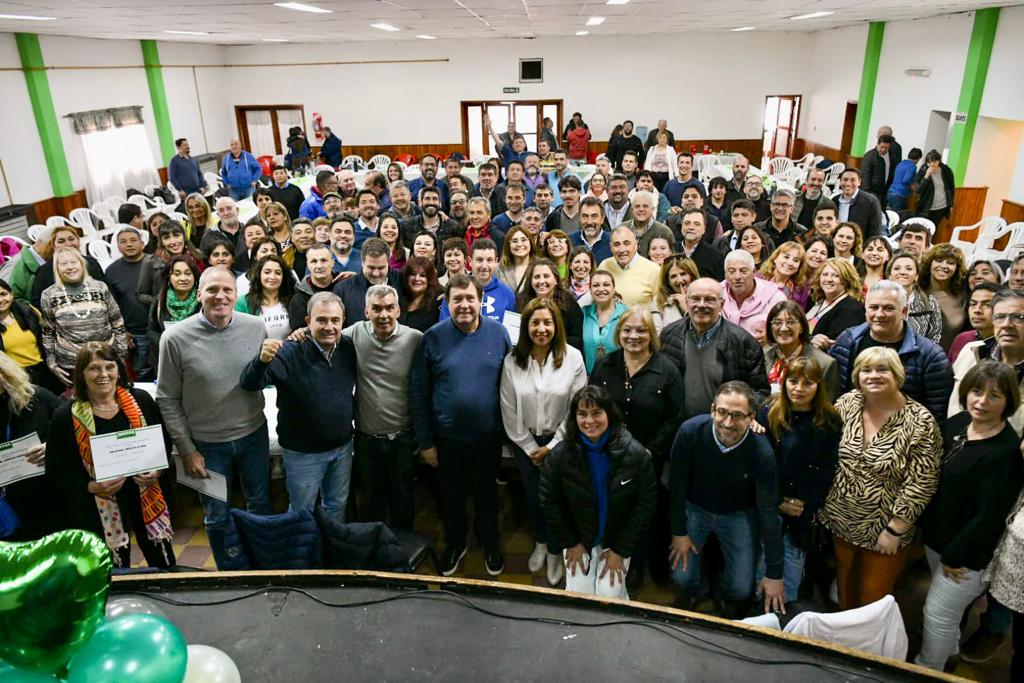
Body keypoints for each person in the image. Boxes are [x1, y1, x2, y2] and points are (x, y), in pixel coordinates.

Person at [156, 266, 270, 569]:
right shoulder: (174, 338)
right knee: (217, 516)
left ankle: (263, 564)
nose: (220, 296)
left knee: (260, 505)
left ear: (236, 294)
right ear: (199, 294)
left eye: (227, 290)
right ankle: (229, 574)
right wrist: (187, 449)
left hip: (253, 435)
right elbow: (167, 398)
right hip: (206, 446)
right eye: (212, 290)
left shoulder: (256, 327)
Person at [914, 361, 1023, 671]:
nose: (982, 402)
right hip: (938, 540)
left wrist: (955, 555)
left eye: (994, 396)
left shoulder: (1005, 452)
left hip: (966, 556)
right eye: (976, 391)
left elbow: (990, 517)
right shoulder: (959, 422)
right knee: (946, 617)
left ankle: (925, 669)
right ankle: (947, 656)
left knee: (936, 615)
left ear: (1008, 401)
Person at [819, 346, 942, 609]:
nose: (873, 375)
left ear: (897, 375)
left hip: (884, 529)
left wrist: (896, 529)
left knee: (872, 598)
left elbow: (922, 482)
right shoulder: (847, 403)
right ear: (857, 376)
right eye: (866, 370)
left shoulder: (920, 422)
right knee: (845, 585)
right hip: (840, 519)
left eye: (882, 369)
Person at [411, 274, 512, 577]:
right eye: (457, 299)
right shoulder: (432, 337)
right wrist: (425, 442)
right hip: (447, 438)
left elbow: (511, 385)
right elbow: (419, 391)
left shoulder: (499, 334)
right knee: (451, 497)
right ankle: (456, 543)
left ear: (481, 301)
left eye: (470, 298)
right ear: (447, 302)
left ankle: (489, 542)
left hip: (488, 436)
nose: (464, 305)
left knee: (487, 496)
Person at [48, 342, 174, 567]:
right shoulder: (65, 416)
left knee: (163, 562)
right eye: (94, 368)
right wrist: (91, 486)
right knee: (113, 569)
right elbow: (57, 471)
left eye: (109, 367)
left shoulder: (141, 401)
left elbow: (163, 441)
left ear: (119, 369)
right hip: (99, 506)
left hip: (145, 495)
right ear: (81, 374)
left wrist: (158, 470)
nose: (103, 374)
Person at [669, 381, 786, 616]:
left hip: (738, 514)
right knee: (682, 578)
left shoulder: (761, 452)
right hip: (696, 508)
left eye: (738, 415)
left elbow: (768, 512)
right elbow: (677, 485)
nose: (728, 422)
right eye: (722, 412)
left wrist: (775, 573)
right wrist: (679, 532)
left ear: (751, 417)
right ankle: (700, 591)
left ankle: (721, 594)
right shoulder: (690, 432)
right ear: (712, 410)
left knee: (740, 589)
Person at [240, 291, 356, 521]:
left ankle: (329, 544)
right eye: (321, 320)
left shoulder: (348, 346)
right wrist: (261, 361)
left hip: (342, 448)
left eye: (335, 320)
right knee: (301, 512)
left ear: (343, 321)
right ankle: (301, 547)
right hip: (303, 453)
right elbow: (250, 383)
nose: (329, 327)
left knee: (336, 506)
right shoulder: (289, 351)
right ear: (308, 321)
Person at [591, 306, 685, 587]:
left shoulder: (666, 370)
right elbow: (593, 407)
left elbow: (675, 417)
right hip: (607, 455)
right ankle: (610, 558)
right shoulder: (604, 365)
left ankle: (636, 566)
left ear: (651, 335)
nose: (634, 336)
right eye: (627, 330)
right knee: (610, 509)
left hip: (648, 460)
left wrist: (649, 451)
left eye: (641, 330)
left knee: (642, 515)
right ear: (619, 333)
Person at [538, 384, 655, 599]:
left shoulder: (636, 455)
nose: (589, 421)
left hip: (617, 540)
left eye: (596, 413)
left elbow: (644, 505)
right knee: (579, 596)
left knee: (610, 594)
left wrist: (620, 550)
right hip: (578, 538)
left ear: (609, 413)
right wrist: (571, 542)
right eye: (582, 414)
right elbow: (548, 500)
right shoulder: (560, 455)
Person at [501, 298, 587, 586]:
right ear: (526, 327)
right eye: (535, 323)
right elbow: (508, 408)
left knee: (558, 499)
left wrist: (551, 447)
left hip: (562, 442)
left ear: (556, 325)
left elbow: (577, 407)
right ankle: (540, 541)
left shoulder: (573, 357)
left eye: (547, 322)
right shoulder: (513, 360)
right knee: (534, 496)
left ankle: (554, 550)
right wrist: (530, 448)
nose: (541, 329)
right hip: (525, 441)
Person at [756, 357, 841, 604]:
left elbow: (828, 468)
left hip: (802, 510)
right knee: (760, 576)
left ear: (819, 386)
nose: (799, 388)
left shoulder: (830, 419)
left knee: (790, 582)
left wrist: (806, 503)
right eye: (793, 381)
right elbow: (760, 466)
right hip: (769, 505)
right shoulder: (768, 412)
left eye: (808, 383)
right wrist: (777, 501)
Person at [341, 285, 423, 530]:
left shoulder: (415, 339)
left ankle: (401, 548)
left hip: (404, 438)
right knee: (370, 500)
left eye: (389, 308)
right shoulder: (354, 334)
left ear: (398, 310)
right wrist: (302, 332)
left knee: (403, 498)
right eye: (376, 309)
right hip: (366, 439)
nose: (384, 314)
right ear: (366, 312)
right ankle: (373, 547)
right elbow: (325, 334)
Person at [830, 280, 953, 423]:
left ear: (904, 312)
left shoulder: (930, 356)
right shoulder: (846, 341)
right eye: (874, 307)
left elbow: (936, 415)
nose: (879, 314)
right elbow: (832, 395)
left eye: (888, 308)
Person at [659, 278, 770, 419]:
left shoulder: (743, 342)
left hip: (726, 426)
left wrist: (744, 416)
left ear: (721, 304)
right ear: (686, 302)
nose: (701, 305)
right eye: (695, 299)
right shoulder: (669, 335)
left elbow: (760, 391)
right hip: (677, 426)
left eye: (709, 299)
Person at [40, 249, 127, 388]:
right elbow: (47, 332)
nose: (70, 267)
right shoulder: (48, 295)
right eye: (63, 263)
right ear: (57, 268)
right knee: (79, 401)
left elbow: (117, 322)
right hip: (71, 365)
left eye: (73, 262)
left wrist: (121, 356)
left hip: (106, 360)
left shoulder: (100, 287)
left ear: (82, 264)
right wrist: (52, 364)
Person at [0, 351, 61, 541]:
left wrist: (53, 447)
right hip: (6, 507)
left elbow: (75, 431)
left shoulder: (36, 397)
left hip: (43, 496)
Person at [763, 300, 840, 401]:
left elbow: (826, 406)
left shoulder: (824, 364)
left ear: (802, 328)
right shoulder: (762, 355)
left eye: (790, 322)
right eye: (777, 323)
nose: (783, 328)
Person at [101, 227, 152, 379]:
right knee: (142, 373)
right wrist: (122, 330)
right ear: (118, 247)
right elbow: (111, 305)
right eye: (123, 241)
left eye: (133, 240)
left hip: (160, 329)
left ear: (142, 244)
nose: (129, 244)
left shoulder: (156, 263)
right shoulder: (112, 271)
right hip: (135, 334)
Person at [0, 280, 60, 393]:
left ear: (11, 294)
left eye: (3, 294)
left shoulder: (29, 312)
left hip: (45, 372)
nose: (1, 300)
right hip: (16, 379)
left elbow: (49, 335)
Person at [439, 238, 516, 323]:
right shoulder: (454, 290)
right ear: (470, 261)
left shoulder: (507, 293)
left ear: (496, 262)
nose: (484, 266)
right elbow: (445, 327)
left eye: (489, 260)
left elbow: (510, 329)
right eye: (479, 260)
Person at [145, 254, 199, 374]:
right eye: (177, 274)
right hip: (167, 360)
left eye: (188, 273)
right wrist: (169, 343)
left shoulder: (203, 301)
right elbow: (152, 331)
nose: (183, 278)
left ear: (194, 276)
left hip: (196, 360)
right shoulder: (160, 301)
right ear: (169, 277)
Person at [29, 226, 106, 309]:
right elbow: (37, 302)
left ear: (78, 241)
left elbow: (105, 290)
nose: (68, 244)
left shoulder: (91, 263)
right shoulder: (44, 271)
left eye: (71, 239)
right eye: (61, 241)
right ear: (53, 245)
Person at [721, 249, 786, 344]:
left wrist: (772, 335)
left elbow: (787, 328)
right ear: (725, 274)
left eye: (743, 271)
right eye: (731, 271)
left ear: (753, 272)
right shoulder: (715, 294)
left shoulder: (774, 297)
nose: (737, 277)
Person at [516, 259, 583, 350]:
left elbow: (577, 338)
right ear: (530, 281)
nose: (541, 281)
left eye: (546, 276)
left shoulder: (569, 304)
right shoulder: (521, 302)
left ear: (556, 280)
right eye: (537, 277)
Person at [137, 221, 205, 310]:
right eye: (166, 238)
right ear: (161, 241)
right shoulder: (151, 262)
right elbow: (141, 295)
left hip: (197, 310)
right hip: (166, 313)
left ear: (184, 237)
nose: (173, 241)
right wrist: (162, 301)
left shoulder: (197, 256)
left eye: (176, 235)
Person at [333, 238, 397, 329]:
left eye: (381, 268)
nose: (376, 273)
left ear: (388, 262)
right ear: (362, 263)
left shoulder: (402, 282)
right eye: (371, 268)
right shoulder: (342, 290)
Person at [807, 258, 865, 352]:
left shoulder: (850, 309)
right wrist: (810, 339)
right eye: (825, 274)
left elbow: (834, 346)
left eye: (835, 275)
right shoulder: (817, 299)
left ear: (846, 280)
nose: (829, 279)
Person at [887, 250, 943, 346]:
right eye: (897, 268)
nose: (902, 272)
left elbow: (935, 336)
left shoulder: (930, 302)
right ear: (890, 276)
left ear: (916, 276)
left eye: (909, 269)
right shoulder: (879, 299)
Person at [920, 243, 968, 351]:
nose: (944, 266)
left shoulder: (963, 297)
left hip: (947, 357)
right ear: (929, 263)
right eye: (939, 260)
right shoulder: (915, 291)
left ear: (957, 268)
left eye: (950, 263)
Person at [235, 254, 294, 340]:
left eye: (278, 273)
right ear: (259, 274)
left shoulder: (293, 299)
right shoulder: (243, 302)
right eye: (267, 272)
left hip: (290, 348)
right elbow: (238, 335)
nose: (272, 277)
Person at [597, 227, 660, 307]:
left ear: (636, 245)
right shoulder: (605, 265)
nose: (622, 250)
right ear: (611, 247)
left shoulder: (654, 270)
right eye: (616, 244)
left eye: (626, 243)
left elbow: (661, 306)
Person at [581, 270, 629, 373]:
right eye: (595, 285)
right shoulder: (583, 313)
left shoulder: (627, 315)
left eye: (606, 285)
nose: (601, 289)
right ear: (590, 290)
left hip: (619, 377)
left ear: (614, 289)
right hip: (589, 378)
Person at [948, 283, 1000, 364]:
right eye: (973, 304)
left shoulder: (1007, 342)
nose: (977, 310)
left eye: (987, 305)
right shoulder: (962, 339)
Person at [651, 255, 698, 333]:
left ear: (692, 275)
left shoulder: (705, 298)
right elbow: (658, 336)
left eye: (683, 274)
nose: (679, 280)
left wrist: (686, 309)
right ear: (667, 281)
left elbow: (704, 333)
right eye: (673, 276)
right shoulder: (658, 301)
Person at [758, 242, 811, 310]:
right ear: (775, 258)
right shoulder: (758, 278)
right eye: (786, 257)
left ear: (799, 266)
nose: (790, 263)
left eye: (796, 260)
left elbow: (798, 315)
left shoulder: (801, 289)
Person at [621, 190, 674, 258]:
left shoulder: (665, 231)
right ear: (631, 210)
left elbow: (671, 260)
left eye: (645, 206)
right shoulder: (621, 229)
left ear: (652, 209)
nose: (641, 209)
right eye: (637, 206)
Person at [835, 168, 884, 240]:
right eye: (845, 180)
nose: (848, 183)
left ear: (859, 182)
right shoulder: (835, 200)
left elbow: (875, 232)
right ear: (840, 182)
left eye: (852, 180)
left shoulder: (871, 202)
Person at [676, 209, 725, 281]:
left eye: (697, 224)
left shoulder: (716, 256)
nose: (691, 227)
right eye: (687, 223)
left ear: (704, 229)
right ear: (681, 227)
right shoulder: (671, 251)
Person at [398, 256, 442, 333]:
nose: (417, 279)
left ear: (429, 279)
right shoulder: (399, 299)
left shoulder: (438, 302)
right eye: (413, 274)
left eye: (422, 275)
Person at [915, 150, 956, 226]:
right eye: (929, 162)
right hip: (926, 207)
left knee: (934, 227)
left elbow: (951, 188)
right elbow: (919, 190)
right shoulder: (923, 171)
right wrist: (926, 176)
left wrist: (951, 204)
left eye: (934, 161)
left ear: (938, 161)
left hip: (941, 207)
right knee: (922, 227)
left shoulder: (946, 171)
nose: (931, 164)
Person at [496, 225, 535, 293]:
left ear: (530, 242)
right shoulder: (498, 268)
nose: (519, 244)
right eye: (514, 241)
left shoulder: (541, 266)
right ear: (508, 245)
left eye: (523, 240)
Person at [859, 135, 897, 205]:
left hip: (885, 190)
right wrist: (867, 193)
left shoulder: (891, 155)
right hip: (873, 191)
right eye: (881, 147)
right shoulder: (869, 156)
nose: (883, 150)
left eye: (886, 148)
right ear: (877, 144)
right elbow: (865, 175)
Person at [887, 148, 922, 213]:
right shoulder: (912, 166)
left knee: (891, 214)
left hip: (890, 192)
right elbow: (906, 180)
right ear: (918, 159)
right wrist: (913, 188)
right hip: (899, 195)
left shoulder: (900, 163)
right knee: (898, 216)